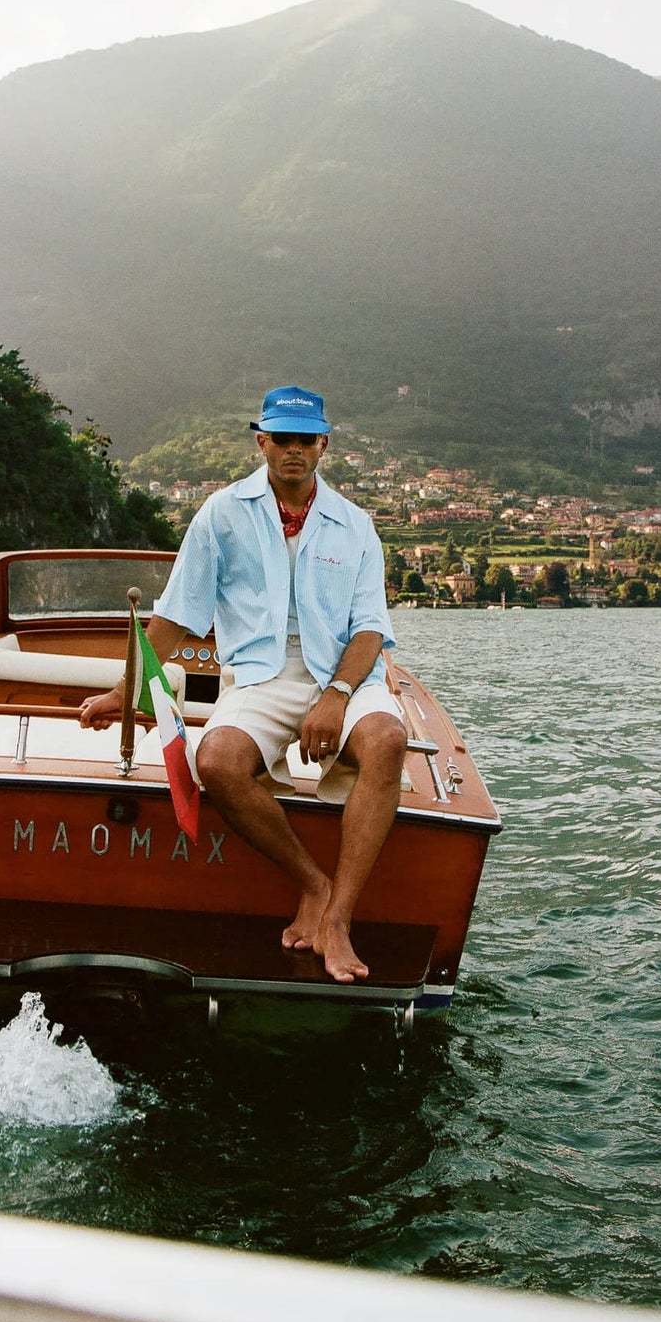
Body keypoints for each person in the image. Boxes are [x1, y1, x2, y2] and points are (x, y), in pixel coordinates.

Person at [79, 386, 407, 984]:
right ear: (262, 441)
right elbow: (176, 615)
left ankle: (338, 920)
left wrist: (336, 696)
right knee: (219, 759)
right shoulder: (221, 514)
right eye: (281, 438)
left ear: (323, 446)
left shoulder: (355, 525)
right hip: (261, 673)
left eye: (305, 440)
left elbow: (370, 632)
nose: (293, 450)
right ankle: (314, 883)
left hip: (343, 671)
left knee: (387, 738)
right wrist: (125, 691)